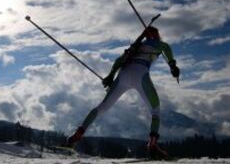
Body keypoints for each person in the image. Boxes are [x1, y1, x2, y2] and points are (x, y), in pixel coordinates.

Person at [66, 26, 180, 159]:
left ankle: (78, 134)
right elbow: (166, 48)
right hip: (141, 73)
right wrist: (172, 65)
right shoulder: (157, 43)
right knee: (155, 110)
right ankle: (152, 144)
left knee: (102, 107)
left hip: (124, 74)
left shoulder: (135, 47)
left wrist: (110, 76)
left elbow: (119, 61)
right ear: (156, 35)